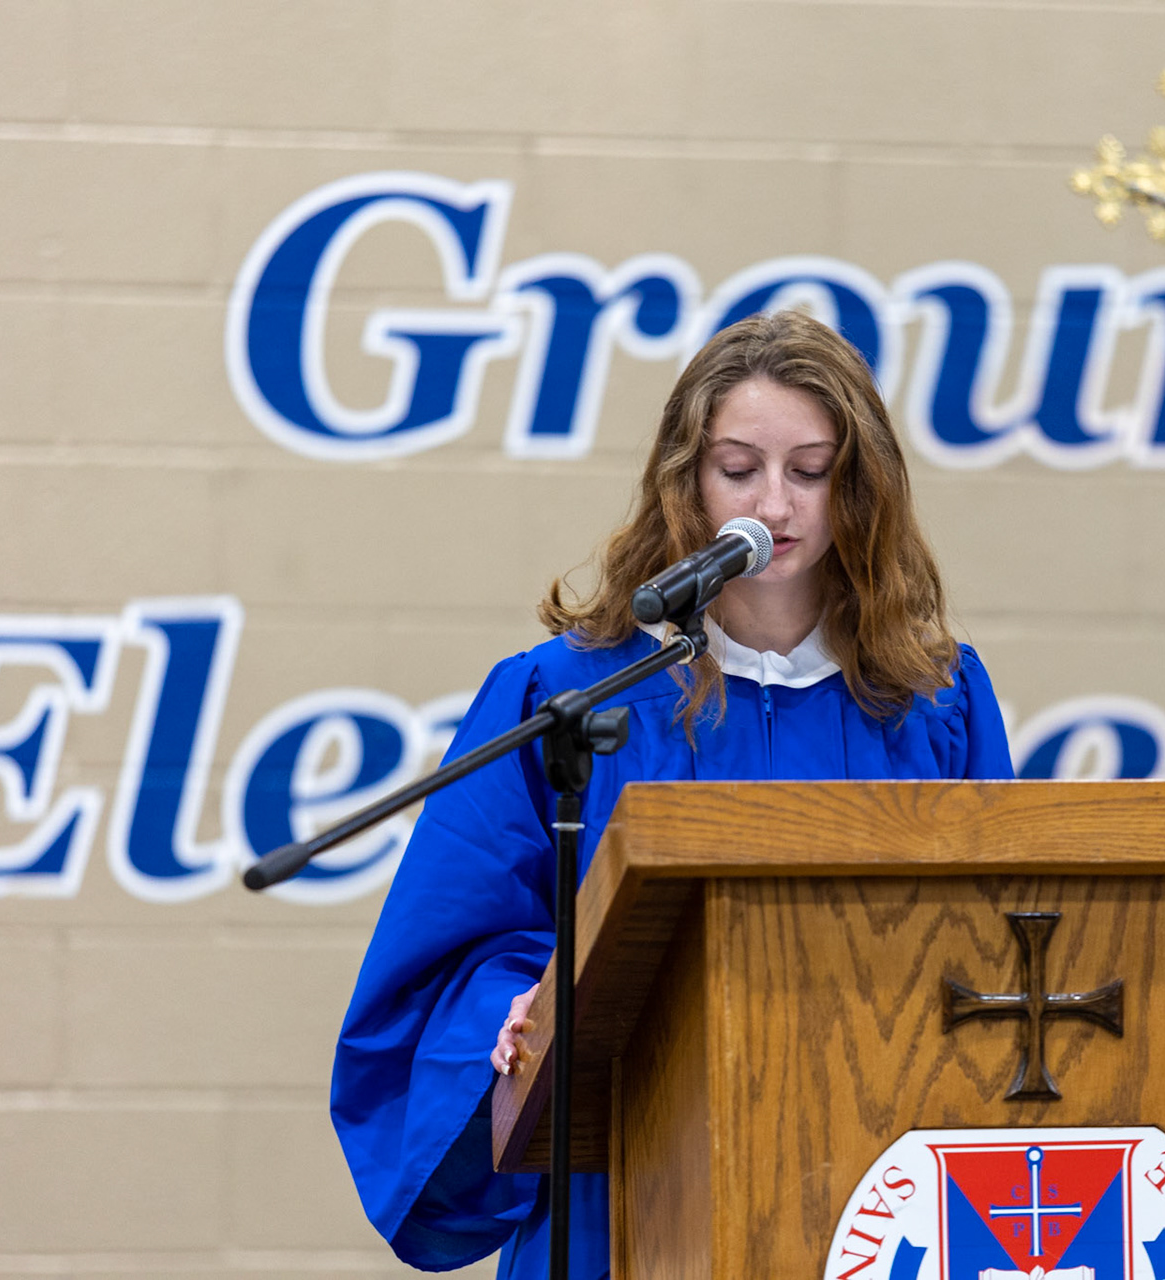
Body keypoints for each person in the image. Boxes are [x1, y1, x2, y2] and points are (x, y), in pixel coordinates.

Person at [330, 309, 1014, 1276]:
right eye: (739, 469)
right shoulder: (566, 694)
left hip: (874, 1195)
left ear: (858, 487)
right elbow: (454, 949)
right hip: (627, 1193)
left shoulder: (930, 702)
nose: (774, 506)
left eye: (810, 471)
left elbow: (998, 935)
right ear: (686, 479)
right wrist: (520, 1013)